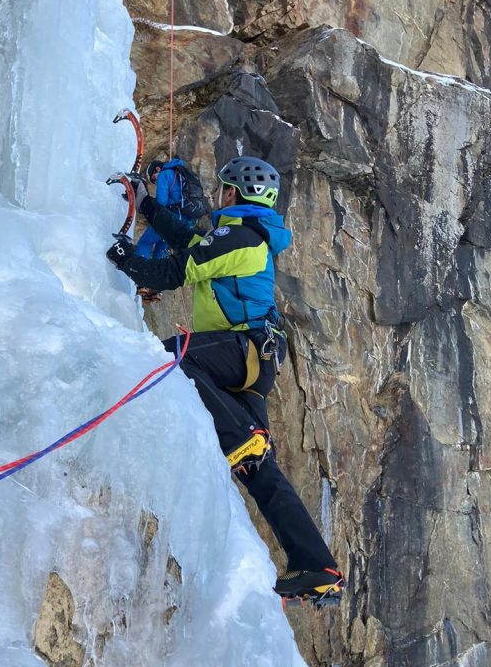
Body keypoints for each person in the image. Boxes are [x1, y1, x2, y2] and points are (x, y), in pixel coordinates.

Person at [106, 155, 342, 605]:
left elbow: (177, 270)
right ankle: (318, 567)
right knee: (260, 472)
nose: (219, 197)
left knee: (170, 358)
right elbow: (190, 240)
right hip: (252, 360)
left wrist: (121, 258)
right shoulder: (240, 236)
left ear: (233, 193)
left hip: (241, 351)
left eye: (223, 190)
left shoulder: (242, 237)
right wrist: (149, 208)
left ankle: (241, 435)